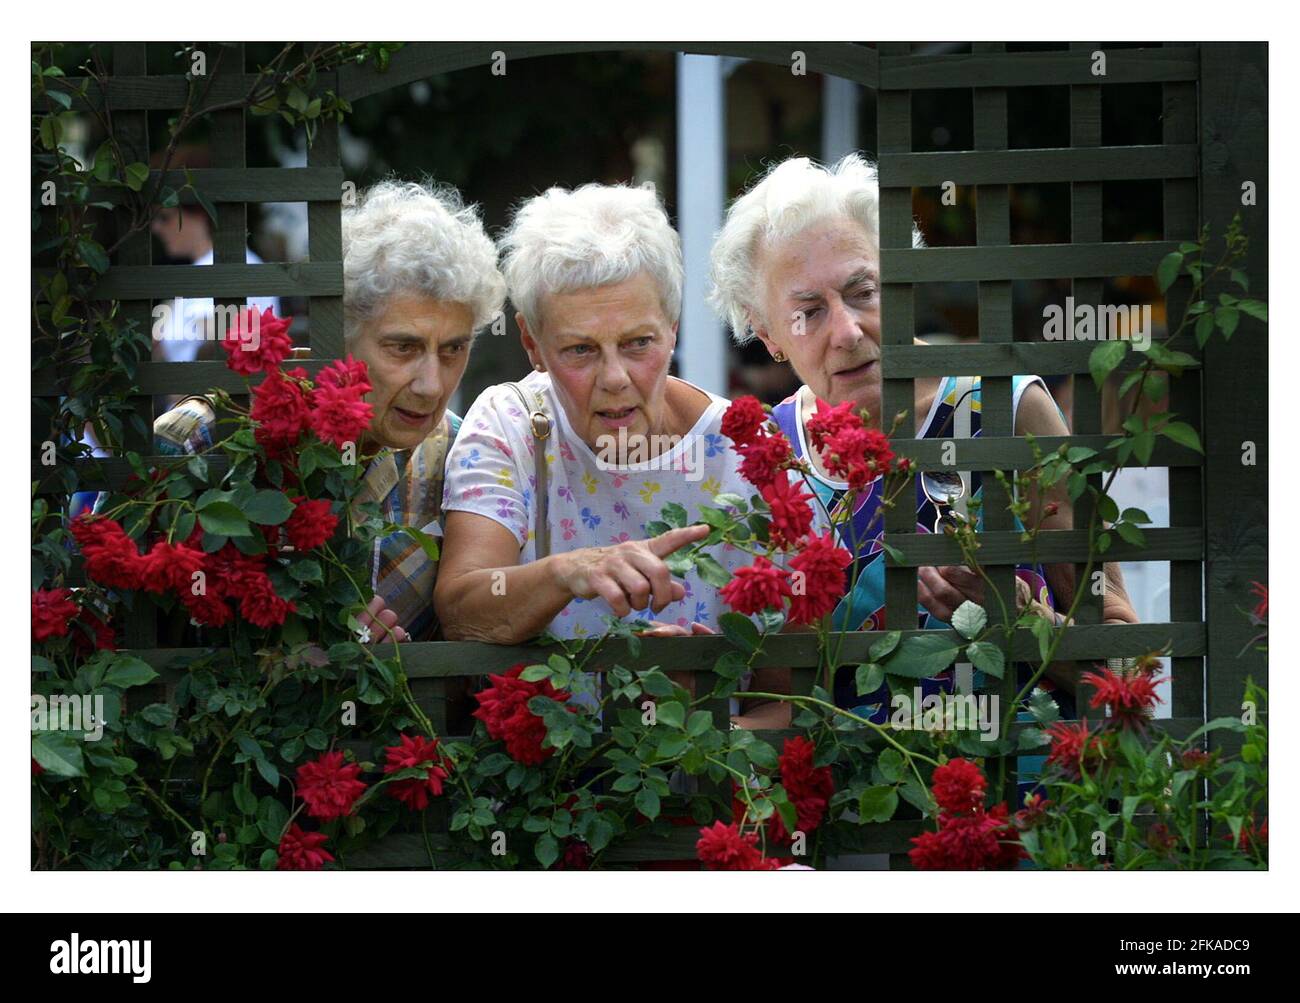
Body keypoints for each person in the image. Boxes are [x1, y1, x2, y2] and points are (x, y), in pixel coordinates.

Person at [708, 153, 1139, 728]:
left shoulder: (1007, 412)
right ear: (768, 335)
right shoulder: (772, 457)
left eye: (863, 292)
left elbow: (1129, 664)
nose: (847, 330)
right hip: (854, 811)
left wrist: (1019, 620)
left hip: (1023, 797)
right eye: (808, 311)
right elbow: (781, 709)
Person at [434, 181, 792, 728]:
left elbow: (787, 703)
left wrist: (694, 720)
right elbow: (461, 608)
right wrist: (571, 572)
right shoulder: (511, 422)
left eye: (638, 343)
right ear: (531, 343)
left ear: (672, 328)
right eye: (580, 350)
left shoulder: (747, 450)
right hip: (548, 794)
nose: (615, 378)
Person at [151, 179, 505, 642]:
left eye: (454, 348)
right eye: (402, 348)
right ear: (335, 335)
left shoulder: (465, 457)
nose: (431, 385)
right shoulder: (202, 440)